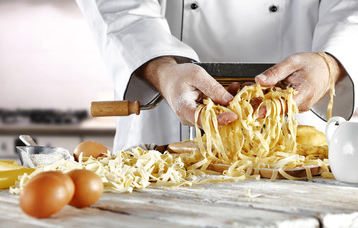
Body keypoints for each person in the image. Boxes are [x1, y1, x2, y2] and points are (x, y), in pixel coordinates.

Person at [76, 0, 358, 151]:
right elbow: (119, 6)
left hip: (296, 123)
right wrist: (161, 69)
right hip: (167, 123)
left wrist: (330, 64)